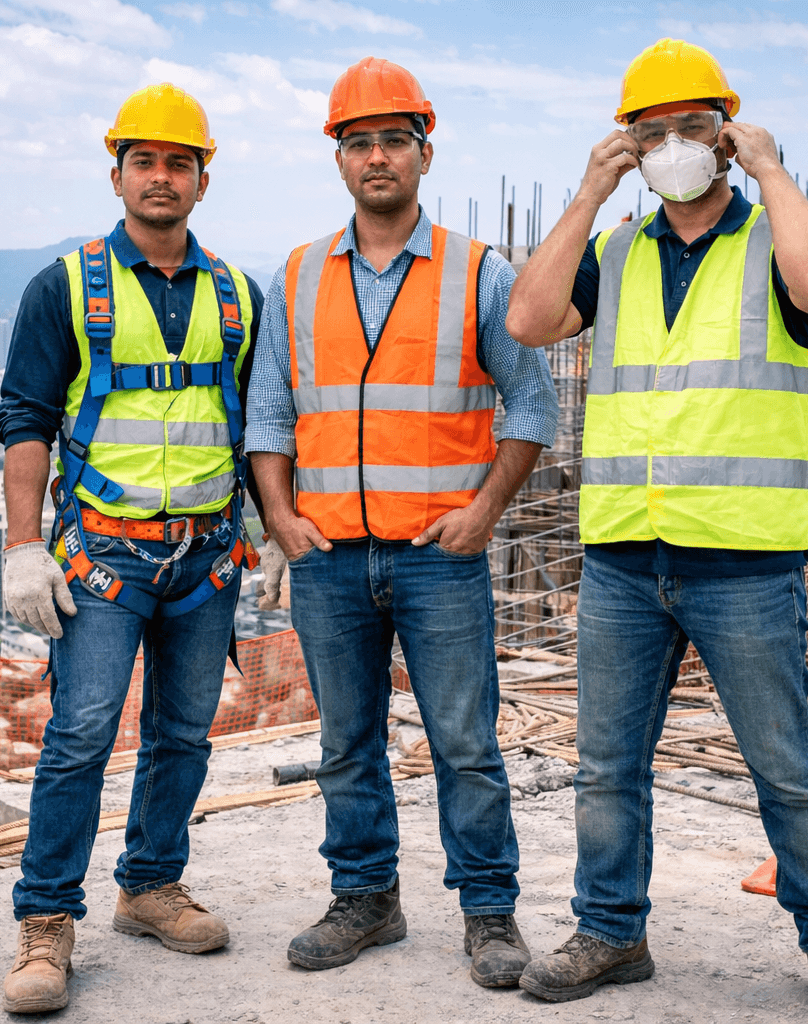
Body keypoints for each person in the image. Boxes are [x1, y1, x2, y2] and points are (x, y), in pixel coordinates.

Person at [504, 38, 808, 1023]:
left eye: (690, 125)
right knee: (606, 765)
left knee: (785, 766)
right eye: (650, 130)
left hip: (744, 558)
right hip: (627, 553)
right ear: (629, 141)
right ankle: (610, 930)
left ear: (725, 128)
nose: (671, 144)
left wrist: (771, 169)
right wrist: (588, 194)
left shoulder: (772, 241)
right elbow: (529, 318)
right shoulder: (618, 252)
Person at [246, 56, 559, 989]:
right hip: (332, 557)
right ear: (339, 159)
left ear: (425, 154)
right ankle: (366, 898)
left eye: (392, 141)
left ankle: (489, 911)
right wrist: (279, 518)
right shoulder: (296, 276)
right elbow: (268, 413)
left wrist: (485, 511)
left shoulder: (480, 272)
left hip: (438, 557)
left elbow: (531, 404)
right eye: (359, 143)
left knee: (465, 740)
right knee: (347, 739)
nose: (376, 156)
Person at [0, 82, 265, 1014]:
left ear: (200, 180)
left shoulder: (236, 296)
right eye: (144, 161)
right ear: (117, 174)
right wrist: (24, 546)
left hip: (206, 556)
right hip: (103, 558)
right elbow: (26, 417)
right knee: (78, 737)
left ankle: (148, 885)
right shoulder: (66, 286)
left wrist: (274, 527)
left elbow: (255, 423)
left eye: (178, 163)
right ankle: (46, 923)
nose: (161, 176)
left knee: (183, 734)